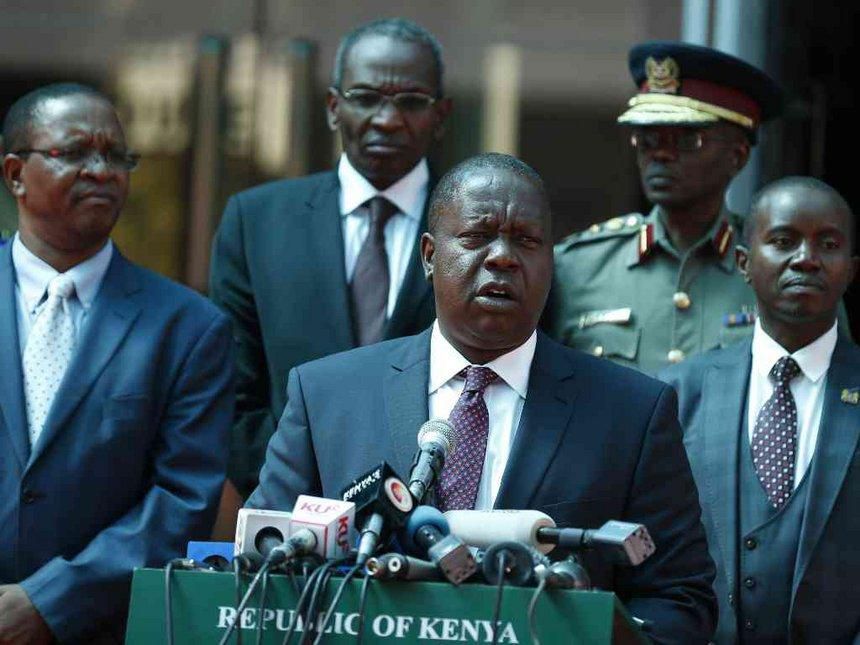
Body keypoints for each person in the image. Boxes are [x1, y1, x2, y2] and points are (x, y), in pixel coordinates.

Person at [248, 153, 717, 642]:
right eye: (476, 237)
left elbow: (679, 600)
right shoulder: (327, 395)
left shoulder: (632, 414)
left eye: (527, 241)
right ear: (430, 256)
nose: (502, 257)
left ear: (550, 262)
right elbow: (261, 566)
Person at [0, 83, 233, 644]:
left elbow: (184, 500)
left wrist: (49, 602)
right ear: (14, 174)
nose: (101, 170)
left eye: (115, 156)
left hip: (98, 628)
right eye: (75, 152)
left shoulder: (188, 327)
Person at [209, 18, 452, 505]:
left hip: (439, 511)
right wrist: (296, 489)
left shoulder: (476, 230)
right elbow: (232, 394)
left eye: (410, 101)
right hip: (293, 513)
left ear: (441, 114)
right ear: (333, 107)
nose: (386, 118)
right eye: (365, 97)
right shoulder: (255, 221)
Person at [660, 177, 860, 642]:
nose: (806, 258)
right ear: (744, 263)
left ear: (851, 270)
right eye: (784, 241)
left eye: (827, 244)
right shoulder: (675, 393)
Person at [546, 41, 783, 375]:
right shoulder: (577, 269)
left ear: (738, 156)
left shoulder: (775, 271)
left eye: (687, 139)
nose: (661, 154)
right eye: (647, 138)